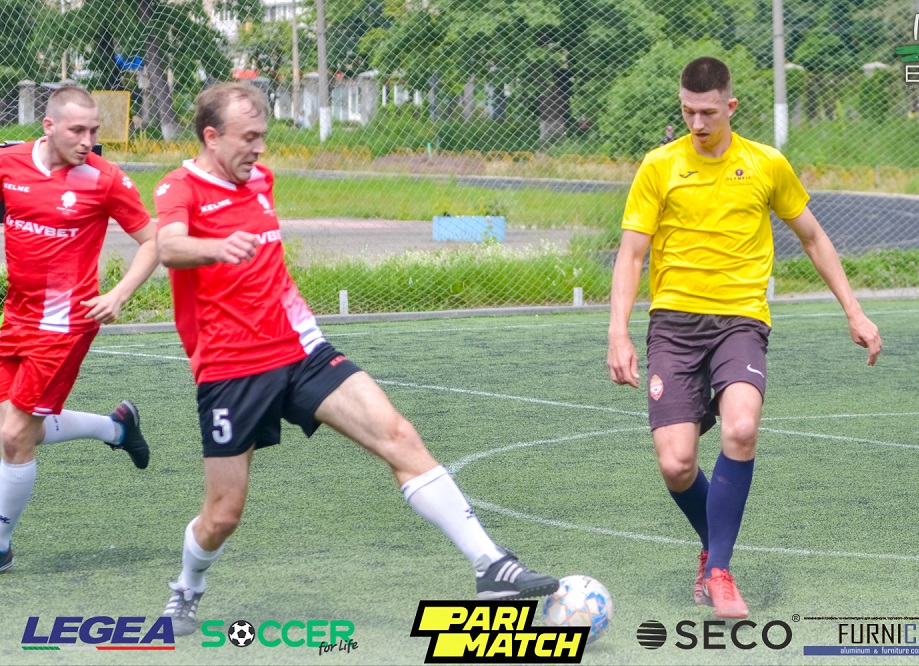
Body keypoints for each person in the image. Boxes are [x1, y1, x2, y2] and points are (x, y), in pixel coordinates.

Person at [154, 82, 558, 636]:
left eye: (263, 136)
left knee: (398, 435)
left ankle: (491, 565)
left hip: (300, 348)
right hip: (230, 369)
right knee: (223, 514)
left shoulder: (260, 180)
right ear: (211, 136)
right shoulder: (179, 188)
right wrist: (215, 248)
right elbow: (169, 246)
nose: (259, 148)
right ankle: (187, 588)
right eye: (248, 138)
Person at [606, 57, 881, 619]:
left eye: (708, 112)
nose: (697, 123)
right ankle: (713, 545)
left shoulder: (765, 164)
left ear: (730, 107)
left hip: (741, 320)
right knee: (677, 464)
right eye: (688, 112)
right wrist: (618, 332)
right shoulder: (659, 166)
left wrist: (855, 312)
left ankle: (719, 571)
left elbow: (813, 237)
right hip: (674, 325)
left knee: (741, 427)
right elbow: (632, 254)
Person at [0, 86, 157, 573]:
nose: (88, 140)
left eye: (94, 130)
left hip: (67, 323)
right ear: (48, 127)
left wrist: (119, 294)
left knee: (14, 435)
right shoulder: (8, 164)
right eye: (77, 130)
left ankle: (1, 545)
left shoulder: (105, 179)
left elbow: (153, 241)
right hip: (17, 316)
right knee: (13, 427)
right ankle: (116, 427)